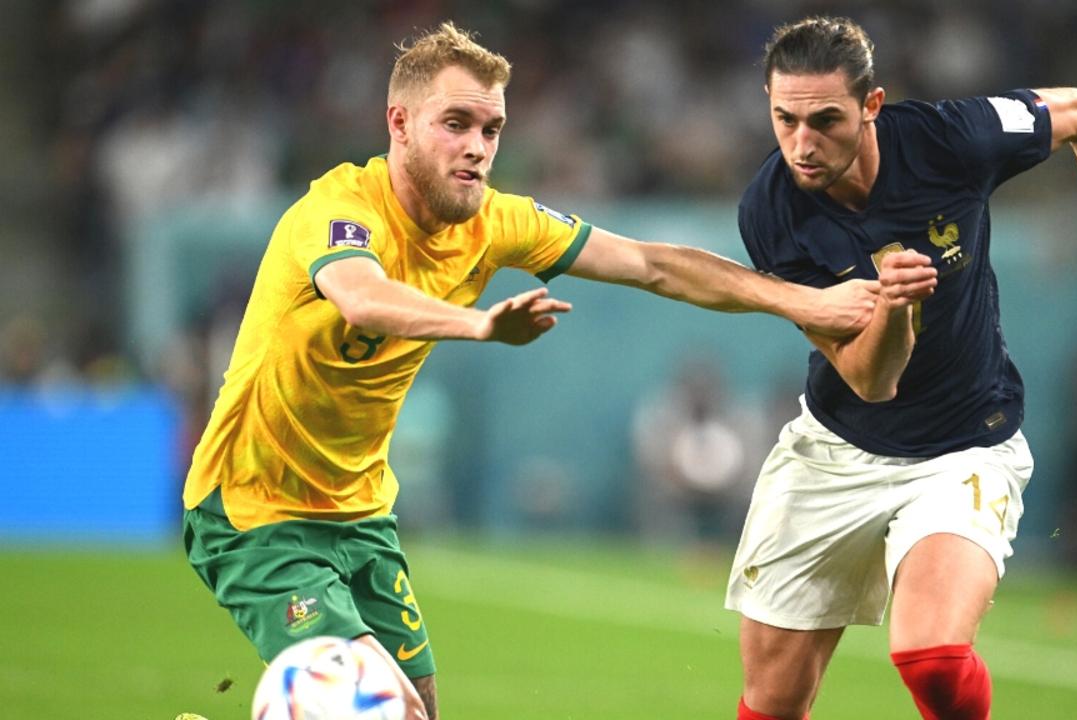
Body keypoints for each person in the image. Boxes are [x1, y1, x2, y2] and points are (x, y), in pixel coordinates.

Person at [179, 22, 878, 720]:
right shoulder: (338, 210)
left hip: (360, 512)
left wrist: (806, 300)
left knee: (419, 708)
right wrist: (479, 324)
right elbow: (361, 298)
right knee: (370, 709)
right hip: (254, 508)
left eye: (491, 129)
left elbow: (651, 265)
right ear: (398, 122)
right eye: (455, 124)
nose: (477, 148)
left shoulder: (494, 223)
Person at [723, 17, 1077, 720]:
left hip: (965, 445)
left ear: (872, 106)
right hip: (836, 446)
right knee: (774, 700)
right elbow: (866, 378)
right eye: (784, 119)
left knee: (934, 663)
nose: (802, 143)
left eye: (825, 120)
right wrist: (894, 311)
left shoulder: (954, 138)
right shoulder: (771, 210)